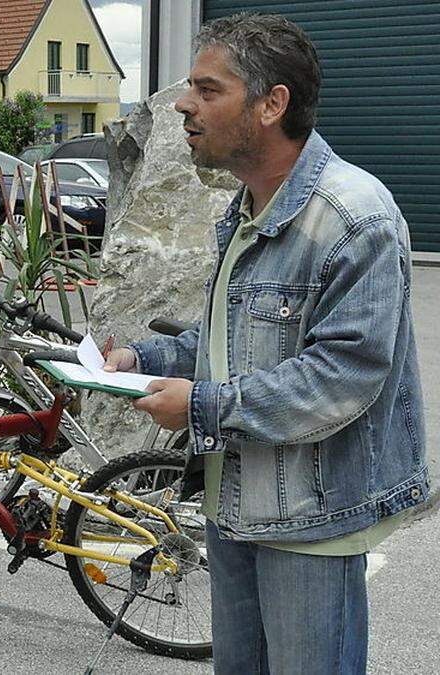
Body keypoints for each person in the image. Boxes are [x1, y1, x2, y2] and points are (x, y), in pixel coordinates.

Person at [103, 14, 427, 674]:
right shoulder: (250, 205)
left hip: (311, 519)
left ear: (272, 103)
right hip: (236, 504)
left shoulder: (353, 215)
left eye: (207, 89)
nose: (185, 106)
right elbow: (231, 341)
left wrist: (199, 406)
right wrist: (143, 360)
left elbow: (340, 378)